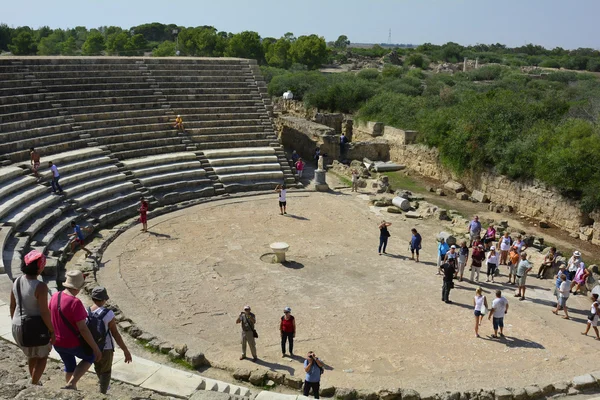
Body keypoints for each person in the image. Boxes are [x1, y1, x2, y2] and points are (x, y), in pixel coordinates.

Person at [49, 270, 103, 390]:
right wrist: (95, 348)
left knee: (69, 365)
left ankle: (71, 388)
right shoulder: (75, 302)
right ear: (78, 287)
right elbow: (83, 329)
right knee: (90, 356)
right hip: (71, 342)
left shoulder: (55, 296)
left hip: (57, 341)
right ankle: (72, 384)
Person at [9, 250, 54, 385]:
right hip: (36, 327)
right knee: (43, 356)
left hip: (18, 325)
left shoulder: (16, 281)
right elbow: (44, 312)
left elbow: (12, 306)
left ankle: (33, 379)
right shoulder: (40, 286)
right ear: (40, 267)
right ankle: (34, 384)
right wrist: (52, 330)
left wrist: (16, 322)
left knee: (31, 354)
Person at [89, 287, 132, 393]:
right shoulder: (108, 314)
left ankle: (102, 384)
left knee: (97, 366)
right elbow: (115, 334)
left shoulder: (87, 311)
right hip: (106, 347)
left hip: (93, 346)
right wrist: (125, 351)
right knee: (106, 370)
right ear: (103, 299)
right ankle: (103, 391)